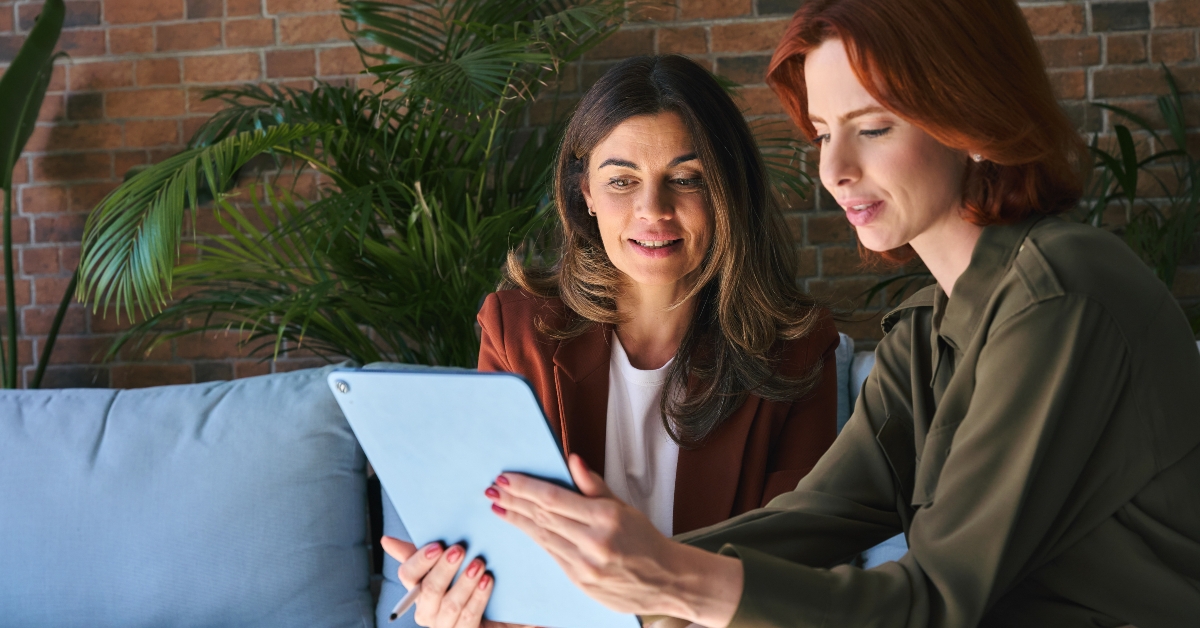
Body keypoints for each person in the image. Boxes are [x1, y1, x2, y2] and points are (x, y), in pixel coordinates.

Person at [390, 0, 1200, 624]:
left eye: (872, 128)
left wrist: (661, 576)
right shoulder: (930, 329)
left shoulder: (1060, 293)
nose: (836, 169)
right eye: (821, 133)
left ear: (976, 120)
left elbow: (935, 604)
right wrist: (582, 571)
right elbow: (818, 518)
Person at [381, 54, 841, 626]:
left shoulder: (797, 350)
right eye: (622, 180)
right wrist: (462, 609)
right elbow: (506, 563)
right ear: (586, 193)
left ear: (728, 191)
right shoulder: (516, 329)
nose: (654, 210)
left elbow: (796, 584)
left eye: (686, 178)